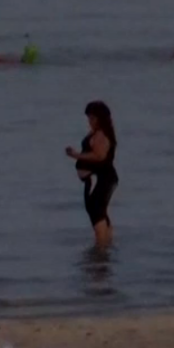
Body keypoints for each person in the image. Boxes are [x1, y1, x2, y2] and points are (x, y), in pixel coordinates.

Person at [65, 101, 119, 249]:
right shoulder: (97, 132)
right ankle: (106, 246)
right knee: (99, 211)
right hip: (100, 178)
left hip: (99, 178)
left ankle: (101, 250)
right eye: (89, 118)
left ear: (101, 118)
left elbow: (99, 155)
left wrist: (76, 155)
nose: (90, 121)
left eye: (93, 118)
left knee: (96, 211)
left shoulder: (101, 133)